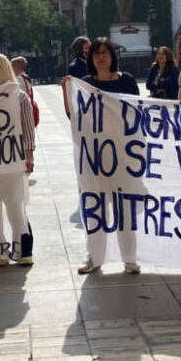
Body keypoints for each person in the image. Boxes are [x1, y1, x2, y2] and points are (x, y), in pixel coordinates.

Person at [62, 37, 140, 274]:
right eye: (96, 53)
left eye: (105, 52)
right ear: (90, 58)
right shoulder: (85, 83)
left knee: (124, 212)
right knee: (95, 211)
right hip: (95, 159)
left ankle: (130, 259)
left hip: (123, 157)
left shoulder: (126, 81)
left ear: (112, 56)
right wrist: (67, 91)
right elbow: (74, 117)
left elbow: (138, 112)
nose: (101, 56)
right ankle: (94, 257)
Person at [0, 53, 35, 266]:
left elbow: (28, 130)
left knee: (16, 208)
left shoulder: (19, 97)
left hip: (12, 159)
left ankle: (24, 251)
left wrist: (29, 156)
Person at [11, 56, 39, 126]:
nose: (11, 69)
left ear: (17, 67)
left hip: (22, 108)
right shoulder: (25, 76)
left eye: (12, 66)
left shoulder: (19, 78)